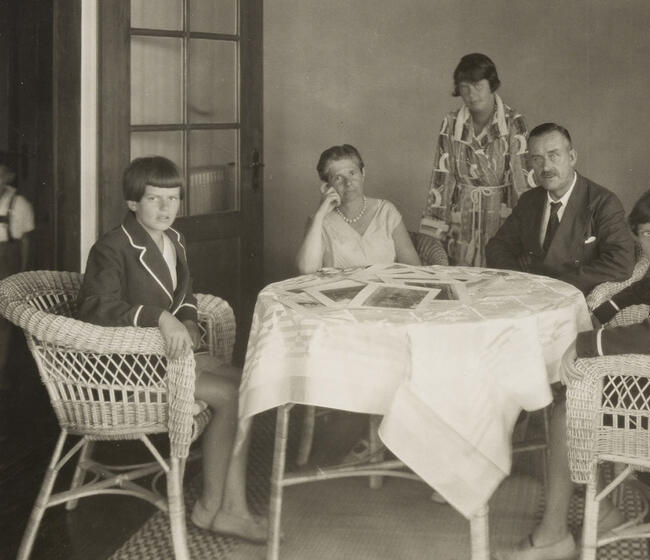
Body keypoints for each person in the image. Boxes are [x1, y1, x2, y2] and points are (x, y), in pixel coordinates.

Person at [496, 184, 650, 560]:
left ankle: (554, 535)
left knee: (569, 408)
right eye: (646, 234)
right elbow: (640, 290)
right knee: (571, 391)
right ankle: (601, 508)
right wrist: (600, 313)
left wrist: (584, 342)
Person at [77, 156, 266, 543]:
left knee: (252, 385)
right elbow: (96, 308)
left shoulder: (174, 240)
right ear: (132, 202)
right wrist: (160, 317)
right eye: (154, 199)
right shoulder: (112, 247)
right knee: (232, 394)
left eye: (174, 198)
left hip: (171, 358)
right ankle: (220, 509)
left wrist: (189, 318)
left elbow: (185, 293)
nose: (166, 208)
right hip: (130, 367)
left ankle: (224, 506)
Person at [485, 122, 636, 295]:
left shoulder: (603, 202)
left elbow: (621, 262)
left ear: (572, 157)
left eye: (553, 155)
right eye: (537, 159)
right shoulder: (529, 201)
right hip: (528, 294)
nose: (546, 167)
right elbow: (497, 246)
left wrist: (556, 287)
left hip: (574, 298)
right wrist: (518, 280)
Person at [420, 53, 531, 267]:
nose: (471, 94)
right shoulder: (451, 122)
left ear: (491, 84)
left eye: (478, 85)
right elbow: (441, 179)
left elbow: (524, 183)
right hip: (460, 224)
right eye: (464, 87)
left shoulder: (513, 122)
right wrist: (433, 233)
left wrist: (528, 235)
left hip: (502, 221)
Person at [296, 144, 420, 274]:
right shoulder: (319, 221)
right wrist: (320, 215)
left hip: (389, 287)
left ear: (363, 174)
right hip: (341, 288)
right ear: (327, 187)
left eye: (352, 173)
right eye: (338, 178)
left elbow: (415, 268)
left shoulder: (386, 211)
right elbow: (306, 270)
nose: (348, 183)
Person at [0, 159, 34, 442]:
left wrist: (20, 272)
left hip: (6, 261)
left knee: (3, 320)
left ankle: (1, 368)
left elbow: (24, 243)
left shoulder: (18, 204)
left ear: (9, 175)